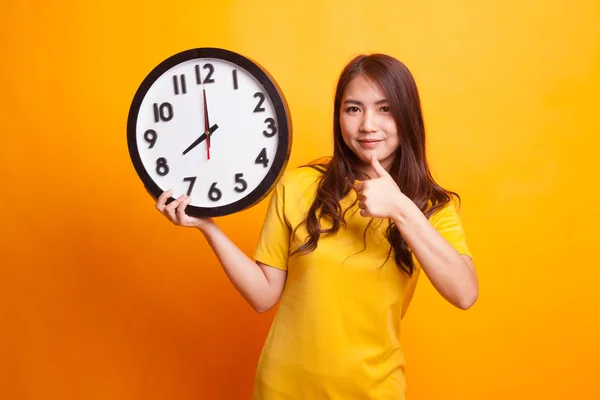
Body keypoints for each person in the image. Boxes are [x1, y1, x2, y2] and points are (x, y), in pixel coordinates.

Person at [153, 53, 478, 399]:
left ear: (408, 116)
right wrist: (208, 227)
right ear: (339, 116)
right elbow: (263, 295)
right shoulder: (298, 186)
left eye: (385, 109)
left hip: (373, 392)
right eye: (353, 109)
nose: (368, 124)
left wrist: (400, 207)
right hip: (283, 388)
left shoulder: (431, 207)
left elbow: (464, 293)